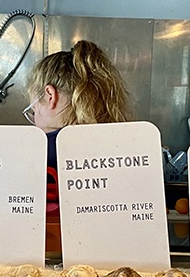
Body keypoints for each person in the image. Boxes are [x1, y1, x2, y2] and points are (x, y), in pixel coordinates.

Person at [24, 40, 131, 251]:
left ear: (50, 96)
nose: (34, 117)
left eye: (33, 109)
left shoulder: (33, 153)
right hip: (109, 261)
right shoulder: (125, 150)